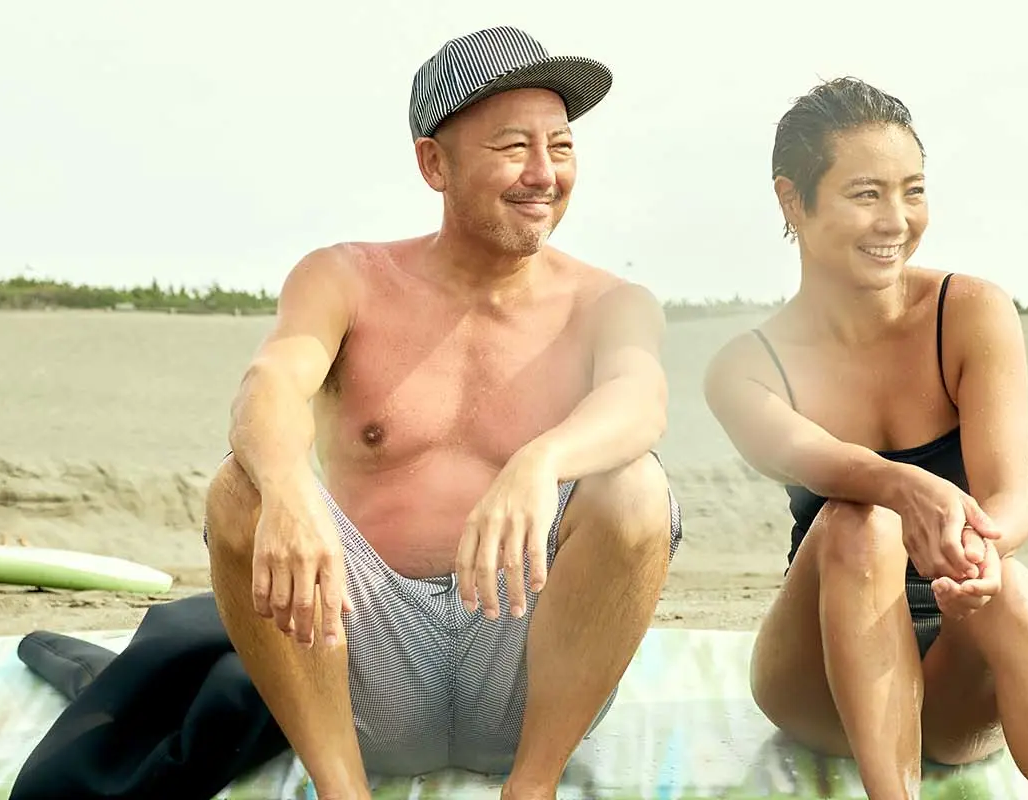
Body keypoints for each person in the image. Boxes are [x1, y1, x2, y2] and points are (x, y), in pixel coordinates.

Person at [202, 25, 680, 799]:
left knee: (633, 486)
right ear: (434, 162)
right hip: (362, 654)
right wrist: (287, 491)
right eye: (510, 147)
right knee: (241, 488)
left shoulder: (609, 302)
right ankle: (342, 788)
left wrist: (539, 460)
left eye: (559, 146)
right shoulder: (346, 277)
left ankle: (534, 785)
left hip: (524, 665)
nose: (542, 174)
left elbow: (641, 397)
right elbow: (271, 384)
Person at [699, 77, 1028, 799]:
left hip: (952, 675)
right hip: (821, 675)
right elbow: (820, 461)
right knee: (855, 521)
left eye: (912, 190)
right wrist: (909, 485)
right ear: (793, 201)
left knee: (1012, 588)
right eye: (866, 194)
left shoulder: (972, 312)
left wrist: (985, 550)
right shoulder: (746, 368)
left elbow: (1011, 505)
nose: (896, 220)